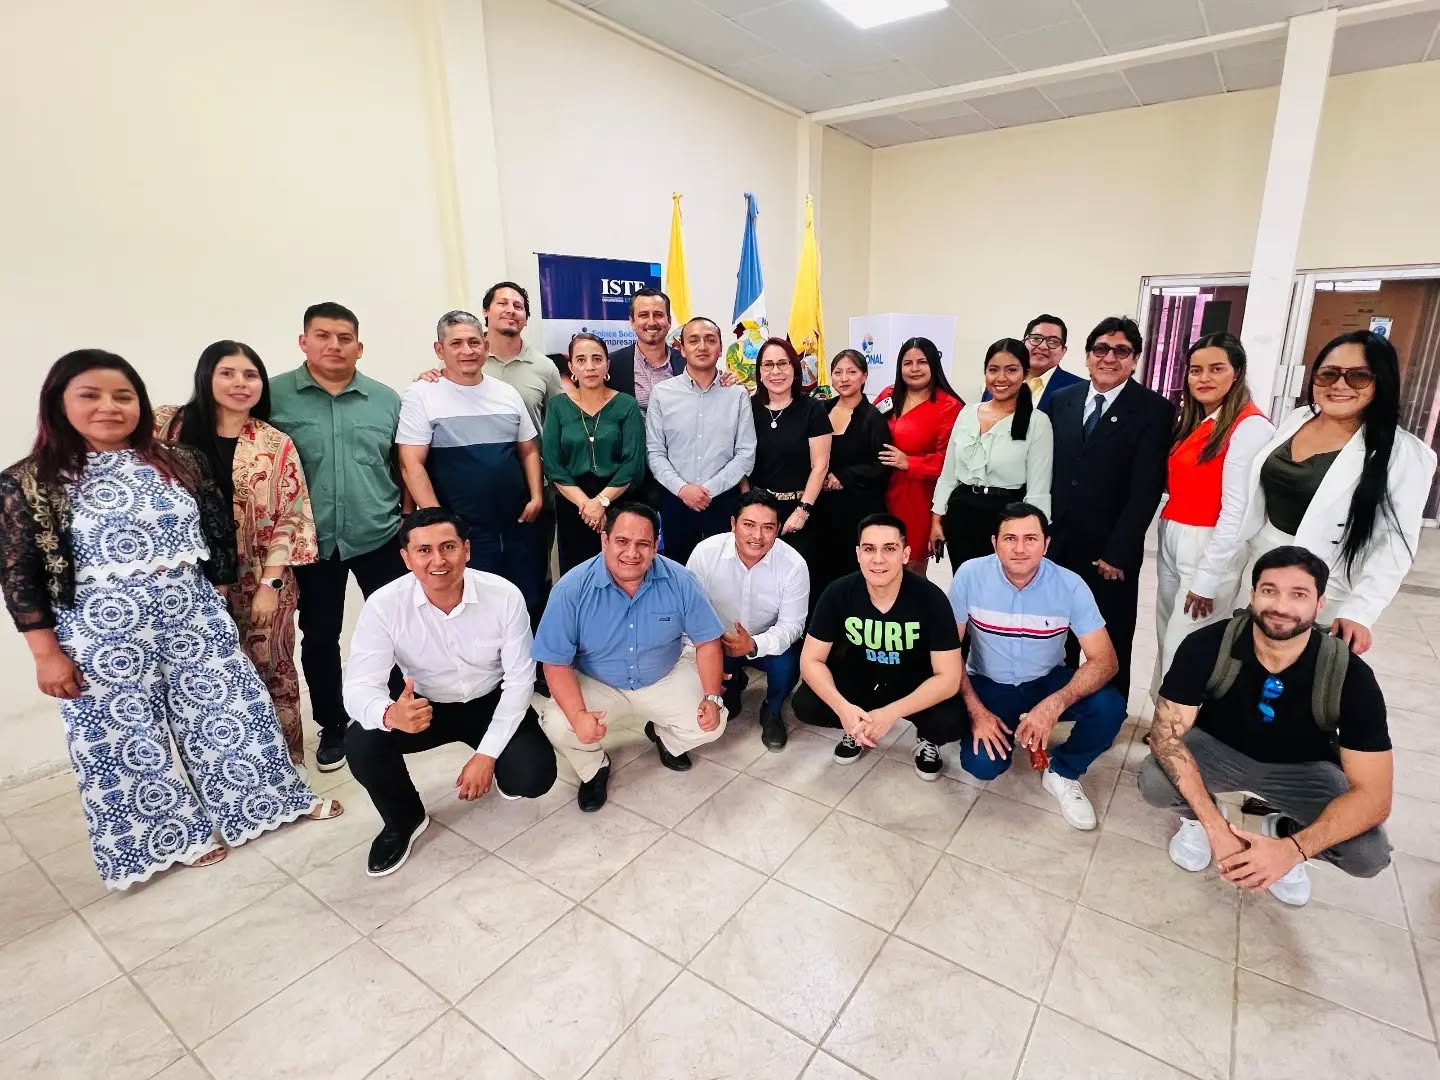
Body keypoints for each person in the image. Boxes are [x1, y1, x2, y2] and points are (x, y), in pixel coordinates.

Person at [0, 351, 337, 889]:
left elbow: (216, 535)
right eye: (90, 395)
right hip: (99, 632)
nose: (109, 407)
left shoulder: (178, 461)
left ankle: (269, 802)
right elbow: (19, 573)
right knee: (123, 738)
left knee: (232, 711)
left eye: (123, 396)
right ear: (58, 403)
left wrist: (217, 597)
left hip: (192, 615)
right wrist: (46, 654)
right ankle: (169, 841)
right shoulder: (31, 481)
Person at [1142, 546, 1393, 906]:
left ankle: (1284, 830)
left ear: (1320, 604)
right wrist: (1215, 827)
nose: (1281, 606)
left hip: (1304, 770)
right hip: (1216, 751)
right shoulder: (1207, 645)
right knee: (1154, 779)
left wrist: (1292, 850)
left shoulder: (1349, 676)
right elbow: (1165, 737)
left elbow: (1374, 797)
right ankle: (1197, 818)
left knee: (1367, 854)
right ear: (1253, 594)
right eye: (1269, 590)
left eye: (1298, 594)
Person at [342, 509, 557, 877]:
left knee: (533, 777)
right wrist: (389, 714)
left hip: (490, 700)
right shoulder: (384, 604)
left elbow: (520, 681)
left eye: (448, 547)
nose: (438, 560)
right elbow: (358, 686)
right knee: (362, 741)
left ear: (466, 550)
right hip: (426, 706)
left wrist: (487, 756)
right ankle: (404, 819)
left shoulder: (503, 596)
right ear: (406, 558)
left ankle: (500, 764)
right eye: (424, 550)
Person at [155, 341, 319, 766]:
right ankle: (226, 770)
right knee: (204, 679)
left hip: (261, 578)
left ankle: (287, 768)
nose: (240, 383)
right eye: (227, 373)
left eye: (250, 375)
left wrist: (270, 585)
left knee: (273, 673)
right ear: (206, 376)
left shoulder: (273, 442)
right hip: (185, 582)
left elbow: (291, 515)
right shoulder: (166, 427)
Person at [1231, 330, 1436, 656]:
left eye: (1358, 376)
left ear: (1381, 382)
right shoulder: (1298, 418)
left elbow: (1395, 545)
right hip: (1261, 572)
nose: (1339, 385)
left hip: (1325, 589)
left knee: (1298, 676)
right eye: (1328, 374)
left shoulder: (1404, 453)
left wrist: (1360, 612)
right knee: (1247, 666)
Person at [270, 302, 406, 773]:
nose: (334, 345)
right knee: (320, 634)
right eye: (323, 336)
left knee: (397, 626)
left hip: (378, 533)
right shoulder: (274, 397)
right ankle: (333, 723)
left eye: (344, 338)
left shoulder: (385, 400)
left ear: (359, 347)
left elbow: (401, 464)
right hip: (311, 543)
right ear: (303, 341)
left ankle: (397, 707)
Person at [533, 502, 728, 812]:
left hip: (663, 675)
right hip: (597, 681)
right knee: (558, 724)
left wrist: (711, 697)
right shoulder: (571, 588)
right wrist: (579, 715)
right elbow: (555, 662)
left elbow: (707, 642)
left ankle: (666, 739)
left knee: (712, 723)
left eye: (643, 544)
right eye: (622, 541)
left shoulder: (681, 580)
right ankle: (594, 768)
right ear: (605, 540)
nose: (632, 553)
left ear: (656, 545)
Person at [949, 503, 1128, 830]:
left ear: (1046, 544)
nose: (1019, 549)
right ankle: (999, 729)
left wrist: (1054, 704)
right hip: (989, 683)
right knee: (983, 766)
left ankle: (1064, 771)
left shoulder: (1070, 584)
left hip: (1046, 681)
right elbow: (947, 652)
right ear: (994, 543)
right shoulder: (970, 576)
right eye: (1010, 539)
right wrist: (977, 712)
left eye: (1030, 539)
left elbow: (1105, 661)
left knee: (1110, 707)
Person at [1042, 316, 1174, 698]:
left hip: (1110, 550)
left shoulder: (1153, 410)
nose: (1109, 358)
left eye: (1121, 351)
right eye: (1101, 349)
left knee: (1111, 632)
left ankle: (1111, 709)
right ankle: (1060, 700)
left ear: (1135, 359)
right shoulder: (1062, 400)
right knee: (1057, 629)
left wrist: (1119, 550)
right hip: (1059, 541)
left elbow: (1146, 489)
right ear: (1087, 356)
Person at [795, 513, 965, 779]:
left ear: (905, 554)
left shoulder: (931, 599)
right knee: (806, 703)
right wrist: (843, 708)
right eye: (869, 549)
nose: (878, 559)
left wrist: (891, 713)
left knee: (951, 722)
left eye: (889, 549)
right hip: (860, 679)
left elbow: (949, 678)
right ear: (858, 554)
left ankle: (928, 738)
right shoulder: (837, 592)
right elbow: (810, 660)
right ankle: (855, 727)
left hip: (912, 681)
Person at [1152, 333, 1274, 689]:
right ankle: (1164, 710)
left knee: (1187, 643)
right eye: (1196, 370)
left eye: (1216, 369)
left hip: (1209, 543)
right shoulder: (1197, 420)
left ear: (1237, 373)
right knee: (1167, 635)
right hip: (1175, 532)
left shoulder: (1249, 426)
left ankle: (1182, 716)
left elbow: (1238, 510)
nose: (1203, 378)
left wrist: (1207, 579)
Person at [397, 310, 543, 605]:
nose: (467, 350)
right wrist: (440, 524)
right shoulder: (421, 394)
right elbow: (411, 464)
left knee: (524, 600)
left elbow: (528, 449)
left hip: (516, 524)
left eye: (474, 342)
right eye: (456, 343)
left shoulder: (507, 393)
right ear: (439, 350)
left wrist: (536, 497)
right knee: (472, 606)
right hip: (462, 531)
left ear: (486, 346)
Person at [687, 490, 808, 751]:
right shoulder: (705, 553)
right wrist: (710, 645)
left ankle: (772, 709)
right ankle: (732, 687)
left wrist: (753, 644)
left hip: (765, 641)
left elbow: (793, 625)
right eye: (749, 525)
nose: (757, 536)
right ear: (733, 524)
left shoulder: (794, 565)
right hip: (718, 640)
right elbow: (689, 612)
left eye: (768, 528)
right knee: (707, 679)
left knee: (789, 662)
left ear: (778, 529)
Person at [931, 338, 1054, 572]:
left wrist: (1030, 536)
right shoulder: (967, 413)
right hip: (961, 514)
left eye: (1011, 370)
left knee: (1003, 585)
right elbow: (948, 474)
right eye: (993, 370)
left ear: (1025, 373)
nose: (1001, 378)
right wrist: (937, 518)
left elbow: (1038, 489)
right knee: (965, 581)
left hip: (1008, 519)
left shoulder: (1037, 422)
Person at [645, 317, 756, 565]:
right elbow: (655, 452)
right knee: (678, 570)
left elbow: (745, 454)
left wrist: (709, 491)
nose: (702, 346)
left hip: (724, 500)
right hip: (676, 499)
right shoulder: (662, 393)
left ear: (720, 348)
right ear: (682, 349)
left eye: (710, 340)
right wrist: (683, 489)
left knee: (724, 571)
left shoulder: (737, 394)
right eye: (693, 340)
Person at [542, 333, 646, 574]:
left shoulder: (626, 404)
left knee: (621, 570)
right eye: (581, 360)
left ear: (607, 365)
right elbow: (554, 465)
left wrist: (601, 502)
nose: (589, 366)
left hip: (618, 501)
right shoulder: (558, 406)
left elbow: (632, 462)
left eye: (597, 359)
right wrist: (587, 506)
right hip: (573, 505)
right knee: (578, 574)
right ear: (571, 367)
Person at [808, 349, 892, 603]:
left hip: (857, 510)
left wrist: (844, 476)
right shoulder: (820, 409)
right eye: (838, 372)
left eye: (851, 372)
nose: (844, 378)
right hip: (822, 508)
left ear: (864, 376)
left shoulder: (873, 418)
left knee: (851, 574)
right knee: (820, 570)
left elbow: (882, 466)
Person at [874, 337, 962, 576]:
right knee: (878, 559)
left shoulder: (949, 406)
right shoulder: (888, 395)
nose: (914, 369)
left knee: (910, 565)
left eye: (922, 362)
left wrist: (909, 462)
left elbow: (951, 462)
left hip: (918, 497)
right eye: (907, 363)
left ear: (934, 364)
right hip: (879, 489)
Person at [747, 337, 830, 560]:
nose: (776, 371)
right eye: (768, 365)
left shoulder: (813, 409)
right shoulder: (748, 407)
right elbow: (739, 458)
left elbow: (820, 465)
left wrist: (802, 511)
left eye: (783, 363)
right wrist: (748, 505)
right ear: (760, 372)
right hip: (758, 511)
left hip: (802, 511)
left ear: (794, 368)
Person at [607, 288, 685, 411]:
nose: (651, 322)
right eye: (643, 315)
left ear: (669, 321)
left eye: (658, 315)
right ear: (632, 321)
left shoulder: (687, 363)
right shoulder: (612, 365)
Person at [980, 314, 1083, 407]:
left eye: (1053, 341)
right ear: (1023, 344)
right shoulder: (999, 382)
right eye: (1036, 338)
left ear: (1063, 351)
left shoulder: (1079, 390)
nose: (1043, 346)